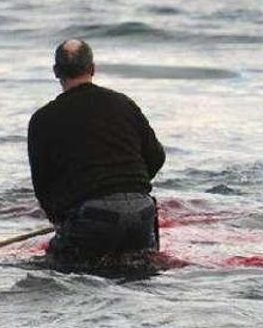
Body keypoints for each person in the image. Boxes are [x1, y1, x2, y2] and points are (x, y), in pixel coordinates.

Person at [27, 39, 165, 261]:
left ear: (56, 72)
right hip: (143, 212)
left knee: (56, 270)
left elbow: (43, 186)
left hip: (92, 218)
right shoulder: (124, 104)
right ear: (92, 68)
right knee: (139, 271)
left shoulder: (42, 119)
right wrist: (127, 186)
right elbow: (157, 157)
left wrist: (62, 220)